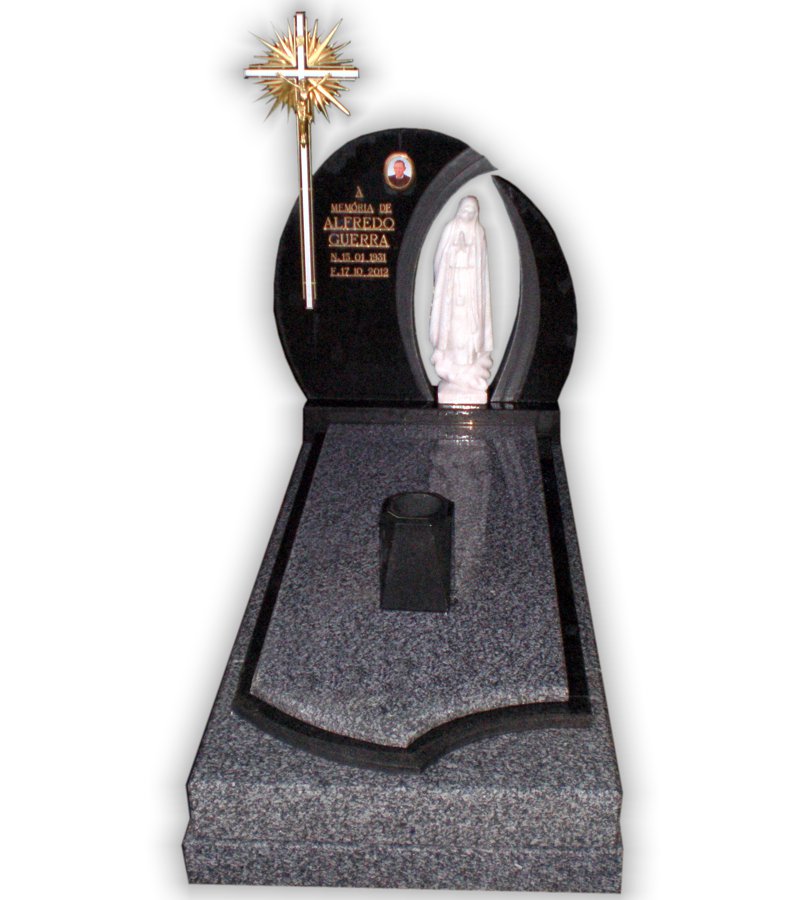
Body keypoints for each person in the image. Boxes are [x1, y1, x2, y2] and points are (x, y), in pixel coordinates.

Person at [429, 196, 493, 403]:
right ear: (459, 211)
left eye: (472, 212)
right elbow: (439, 259)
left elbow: (482, 267)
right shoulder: (450, 229)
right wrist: (455, 255)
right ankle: (453, 371)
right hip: (452, 288)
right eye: (465, 210)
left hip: (472, 291)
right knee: (452, 331)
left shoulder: (479, 231)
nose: (468, 215)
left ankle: (469, 375)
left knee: (468, 332)